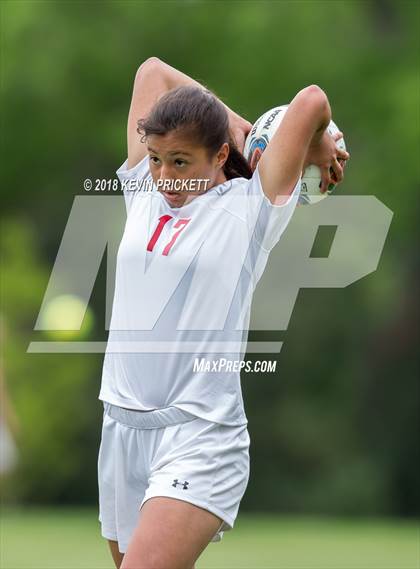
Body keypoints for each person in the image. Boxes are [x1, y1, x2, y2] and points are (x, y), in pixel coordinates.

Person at [97, 57, 349, 569]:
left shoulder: (251, 209)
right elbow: (152, 73)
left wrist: (315, 141)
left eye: (182, 162)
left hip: (201, 436)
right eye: (156, 158)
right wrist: (234, 121)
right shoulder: (144, 191)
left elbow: (312, 101)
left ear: (219, 156)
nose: (165, 175)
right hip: (120, 431)